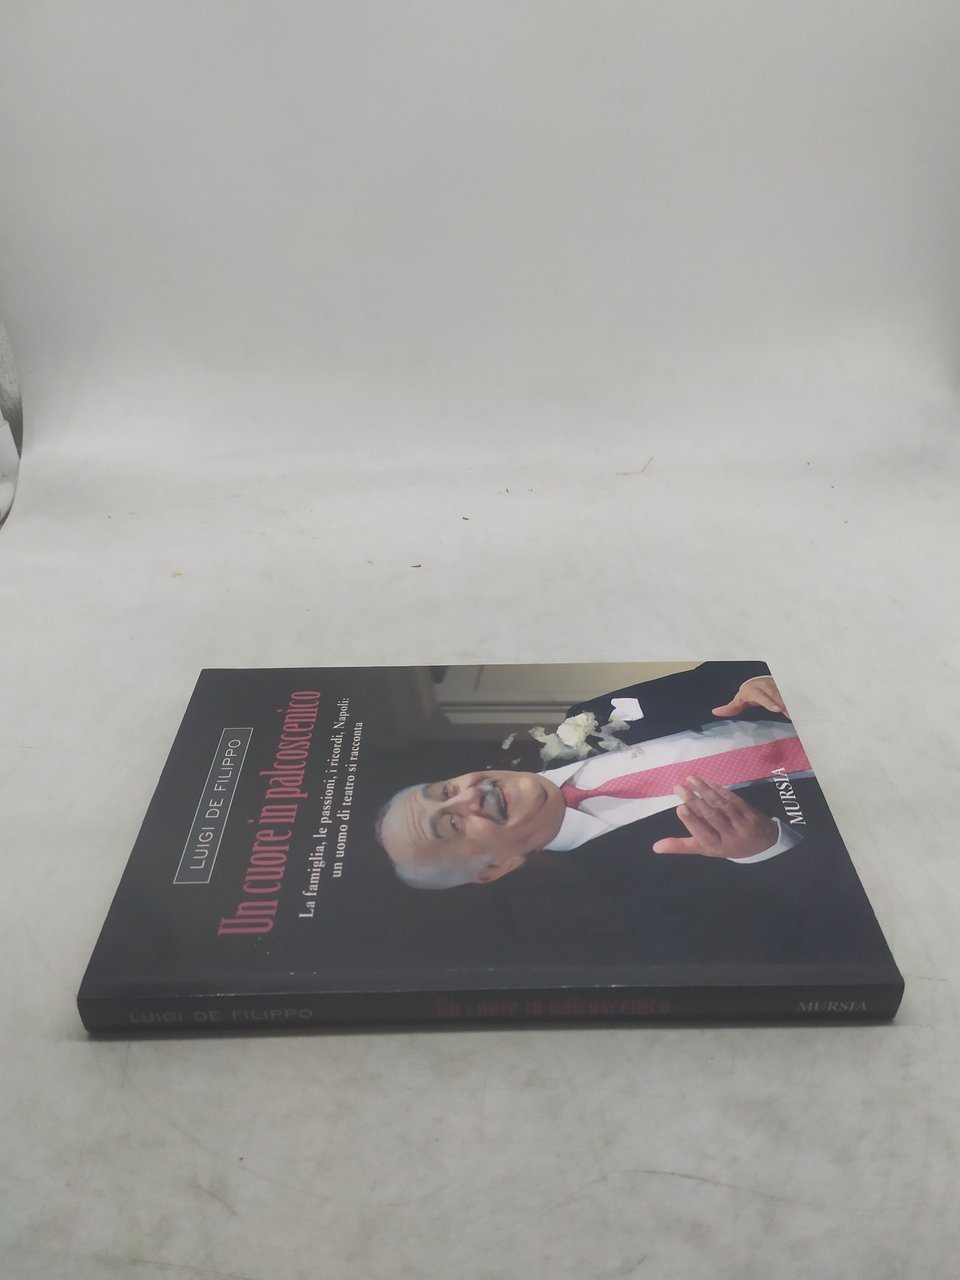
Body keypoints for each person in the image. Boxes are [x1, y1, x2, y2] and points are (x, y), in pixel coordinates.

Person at [377, 661, 818, 890]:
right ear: (496, 867)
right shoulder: (646, 896)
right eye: (452, 824)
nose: (469, 794)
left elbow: (716, 675)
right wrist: (766, 849)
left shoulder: (588, 717)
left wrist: (758, 679)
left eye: (446, 790)